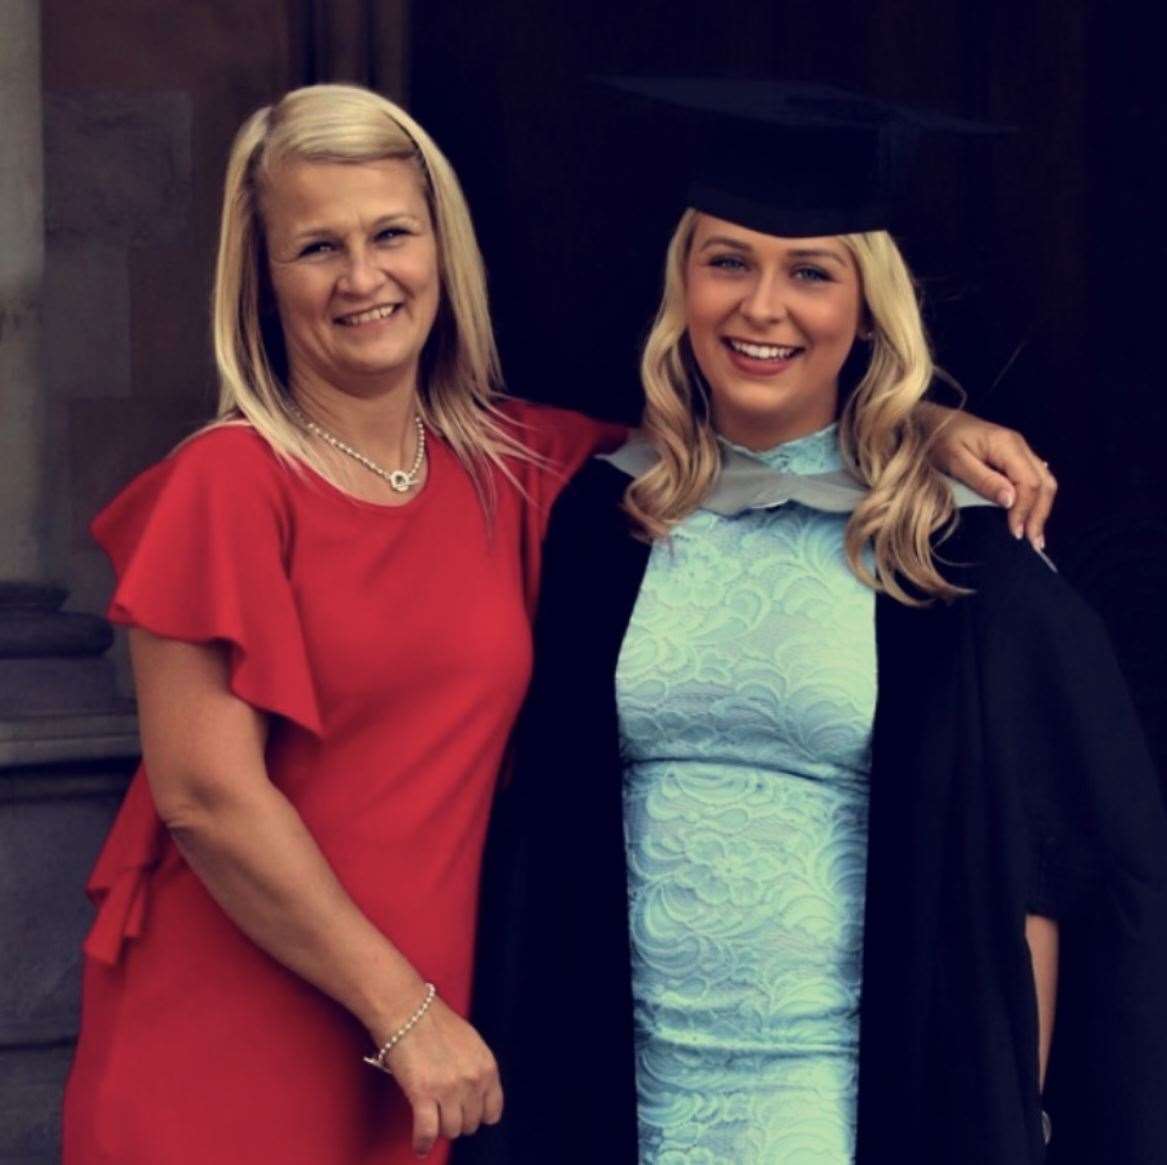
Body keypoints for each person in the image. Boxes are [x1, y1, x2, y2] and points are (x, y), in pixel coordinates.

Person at [62, 83, 1053, 1165]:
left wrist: (920, 415)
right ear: (261, 278)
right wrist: (405, 1015)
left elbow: (750, 414)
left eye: (392, 232)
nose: (363, 277)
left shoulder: (519, 468)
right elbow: (207, 799)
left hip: (434, 1057)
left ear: (443, 249)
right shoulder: (229, 481)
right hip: (257, 1023)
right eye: (316, 247)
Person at [466, 81, 1167, 1165]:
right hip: (623, 1085)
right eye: (728, 261)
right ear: (682, 285)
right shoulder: (609, 523)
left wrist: (1001, 1114)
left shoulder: (955, 549)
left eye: (811, 271)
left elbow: (1048, 867)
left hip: (847, 1098)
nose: (762, 307)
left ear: (865, 305)